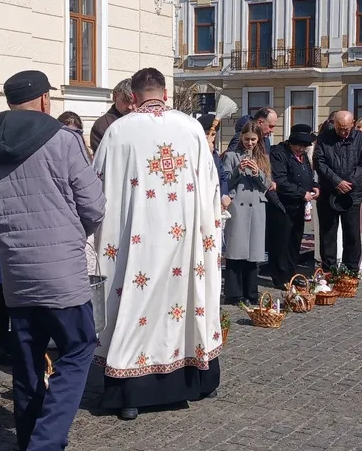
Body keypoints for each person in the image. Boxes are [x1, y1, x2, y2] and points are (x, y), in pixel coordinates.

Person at [0, 70, 104, 451]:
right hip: (61, 271)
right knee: (79, 348)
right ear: (45, 100)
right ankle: (46, 450)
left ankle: (29, 442)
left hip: (15, 270)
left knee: (27, 359)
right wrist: (70, 233)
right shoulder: (64, 140)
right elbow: (95, 206)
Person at [91, 68, 221, 423]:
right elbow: (210, 186)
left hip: (137, 244)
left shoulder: (118, 132)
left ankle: (131, 394)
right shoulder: (192, 128)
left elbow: (96, 191)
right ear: (165, 93)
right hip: (185, 243)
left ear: (132, 96)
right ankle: (196, 380)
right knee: (184, 304)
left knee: (135, 307)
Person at [221, 121, 270, 305]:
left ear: (258, 140)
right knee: (236, 250)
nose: (250, 143)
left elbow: (267, 185)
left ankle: (251, 293)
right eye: (247, 139)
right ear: (241, 137)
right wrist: (238, 171)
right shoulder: (232, 156)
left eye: (253, 140)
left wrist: (258, 173)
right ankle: (234, 294)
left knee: (253, 252)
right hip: (238, 207)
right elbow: (225, 180)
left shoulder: (263, 158)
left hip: (256, 207)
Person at [315, 111, 362, 271]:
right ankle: (329, 270)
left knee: (352, 234)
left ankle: (350, 270)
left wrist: (350, 182)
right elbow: (319, 162)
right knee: (328, 234)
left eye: (346, 128)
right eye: (339, 128)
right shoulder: (324, 138)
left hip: (352, 193)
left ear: (352, 123)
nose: (343, 132)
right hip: (329, 192)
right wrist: (336, 181)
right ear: (334, 124)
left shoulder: (361, 139)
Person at [267, 125, 317, 287]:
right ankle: (281, 277)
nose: (301, 149)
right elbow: (281, 180)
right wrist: (302, 193)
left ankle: (291, 274)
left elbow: (307, 176)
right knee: (281, 243)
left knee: (295, 242)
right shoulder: (280, 154)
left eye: (304, 146)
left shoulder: (303, 157)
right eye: (299, 145)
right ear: (291, 143)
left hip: (299, 206)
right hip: (283, 205)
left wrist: (314, 186)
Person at [89, 79, 134, 154]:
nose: (130, 107)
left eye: (134, 102)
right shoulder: (101, 125)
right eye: (126, 101)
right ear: (115, 97)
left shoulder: (142, 120)